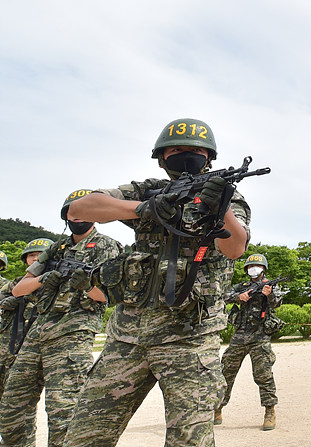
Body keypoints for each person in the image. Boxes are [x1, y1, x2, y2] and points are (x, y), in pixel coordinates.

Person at [61, 118, 251, 447]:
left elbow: (234, 248)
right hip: (126, 338)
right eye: (175, 150)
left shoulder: (227, 197)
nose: (185, 155)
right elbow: (79, 209)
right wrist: (147, 207)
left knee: (190, 442)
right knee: (83, 437)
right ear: (161, 157)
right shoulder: (148, 188)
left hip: (190, 340)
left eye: (194, 150)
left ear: (209, 157)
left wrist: (218, 207)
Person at [0, 192, 122, 447]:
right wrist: (42, 279)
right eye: (73, 211)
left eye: (86, 210)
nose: (79, 216)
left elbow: (109, 297)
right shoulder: (58, 248)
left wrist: (87, 285)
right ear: (66, 216)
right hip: (38, 333)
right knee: (11, 409)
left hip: (73, 332)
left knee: (63, 413)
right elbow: (18, 289)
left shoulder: (107, 246)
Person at [216, 253, 284, 431]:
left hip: (260, 336)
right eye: (251, 267)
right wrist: (240, 297)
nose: (254, 269)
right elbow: (224, 295)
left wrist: (268, 295)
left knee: (263, 374)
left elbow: (277, 303)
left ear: (263, 269)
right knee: (226, 372)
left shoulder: (271, 286)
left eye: (258, 267)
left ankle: (270, 411)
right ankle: (217, 408)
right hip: (239, 336)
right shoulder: (242, 286)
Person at [0, 239, 49, 401]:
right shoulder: (17, 283)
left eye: (39, 255)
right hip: (7, 351)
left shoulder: (58, 284)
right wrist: (5, 301)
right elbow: (4, 294)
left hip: (33, 354)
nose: (35, 259)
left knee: (22, 403)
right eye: (31, 255)